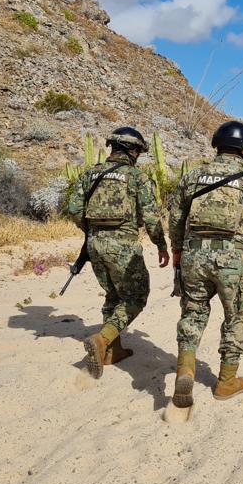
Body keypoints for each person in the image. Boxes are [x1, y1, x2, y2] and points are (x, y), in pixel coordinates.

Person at [168, 121, 243, 407]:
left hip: (193, 257)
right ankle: (226, 381)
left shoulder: (192, 177)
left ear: (216, 146)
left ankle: (186, 370)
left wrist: (177, 251)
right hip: (231, 260)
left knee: (192, 313)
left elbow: (176, 217)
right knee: (236, 315)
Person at [64, 127, 169, 380]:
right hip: (123, 246)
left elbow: (74, 208)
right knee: (136, 297)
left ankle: (113, 351)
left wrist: (92, 230)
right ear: (133, 151)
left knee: (113, 294)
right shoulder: (137, 178)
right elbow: (151, 217)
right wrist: (161, 245)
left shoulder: (90, 174)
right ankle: (103, 340)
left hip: (94, 244)